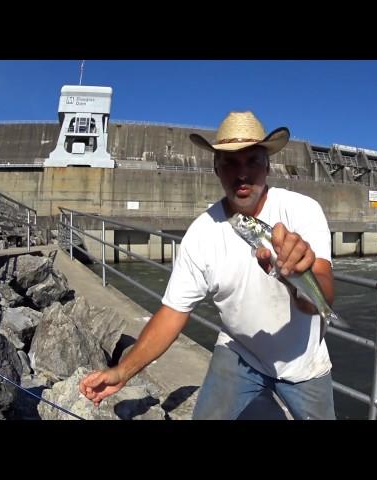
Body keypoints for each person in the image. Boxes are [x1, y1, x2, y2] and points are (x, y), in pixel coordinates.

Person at [79, 111, 337, 419]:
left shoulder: (303, 210)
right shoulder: (201, 233)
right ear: (216, 168)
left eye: (252, 160)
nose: (242, 173)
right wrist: (122, 371)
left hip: (303, 363)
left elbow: (325, 294)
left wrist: (298, 279)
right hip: (240, 351)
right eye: (230, 162)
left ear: (268, 166)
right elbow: (173, 312)